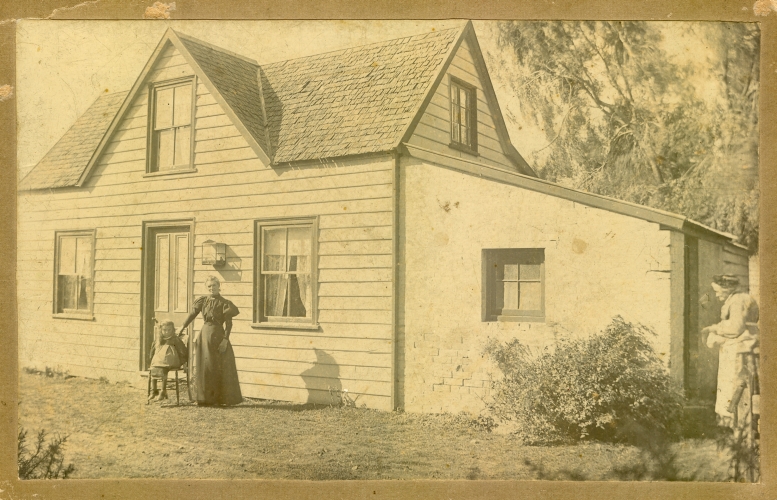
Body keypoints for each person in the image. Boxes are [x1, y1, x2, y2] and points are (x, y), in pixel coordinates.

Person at [702, 274, 759, 427]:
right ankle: (733, 423)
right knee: (729, 384)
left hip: (740, 347)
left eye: (718, 291)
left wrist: (715, 329)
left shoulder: (738, 300)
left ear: (726, 288)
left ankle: (737, 423)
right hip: (737, 345)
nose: (716, 294)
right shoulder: (736, 299)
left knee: (734, 384)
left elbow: (735, 327)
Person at [178, 276, 243, 406]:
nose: (211, 288)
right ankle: (204, 398)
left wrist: (225, 340)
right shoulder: (203, 301)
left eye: (214, 285)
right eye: (209, 286)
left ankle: (218, 399)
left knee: (216, 366)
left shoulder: (225, 303)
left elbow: (229, 325)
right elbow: (192, 314)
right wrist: (182, 326)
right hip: (204, 336)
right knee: (205, 367)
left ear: (219, 286)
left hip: (218, 336)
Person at [148, 320, 188, 402]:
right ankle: (154, 390)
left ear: (173, 330)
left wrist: (182, 361)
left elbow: (183, 351)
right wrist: (152, 360)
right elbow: (152, 351)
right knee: (154, 368)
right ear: (161, 330)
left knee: (163, 368)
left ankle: (163, 391)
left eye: (169, 330)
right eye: (164, 330)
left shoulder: (175, 340)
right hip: (160, 362)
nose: (167, 332)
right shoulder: (159, 340)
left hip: (173, 362)